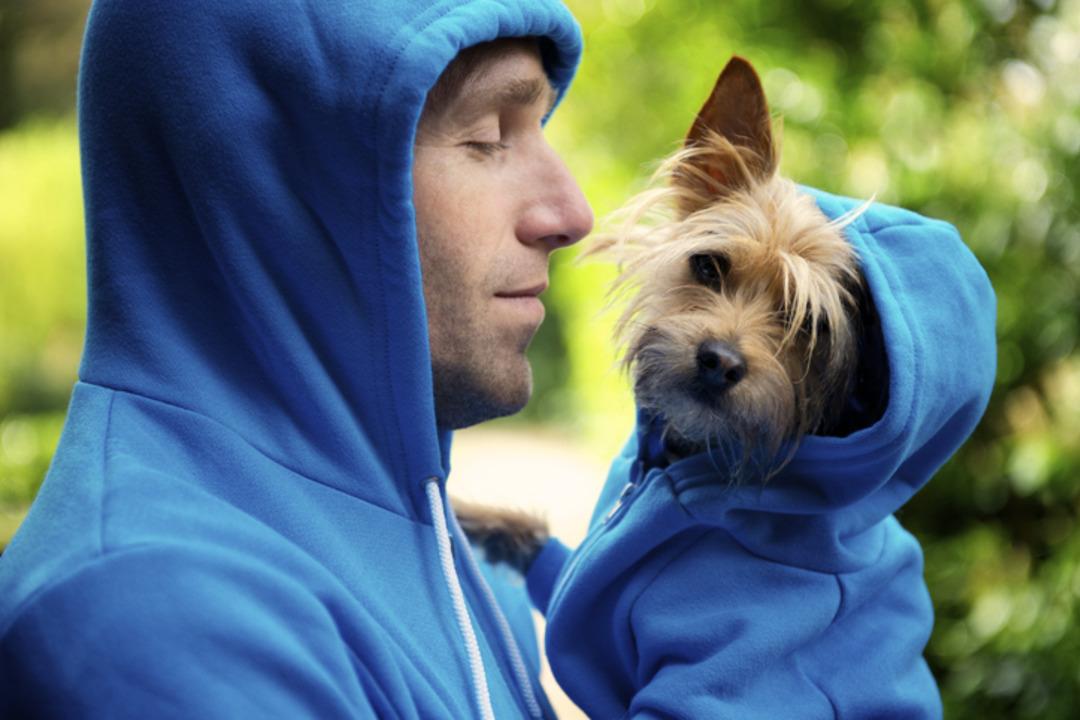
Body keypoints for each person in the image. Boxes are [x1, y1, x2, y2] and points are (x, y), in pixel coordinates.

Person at [0, 0, 591, 717]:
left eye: (539, 125)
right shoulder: (159, 617)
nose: (571, 213)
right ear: (273, 179)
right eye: (489, 136)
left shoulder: (445, 547)